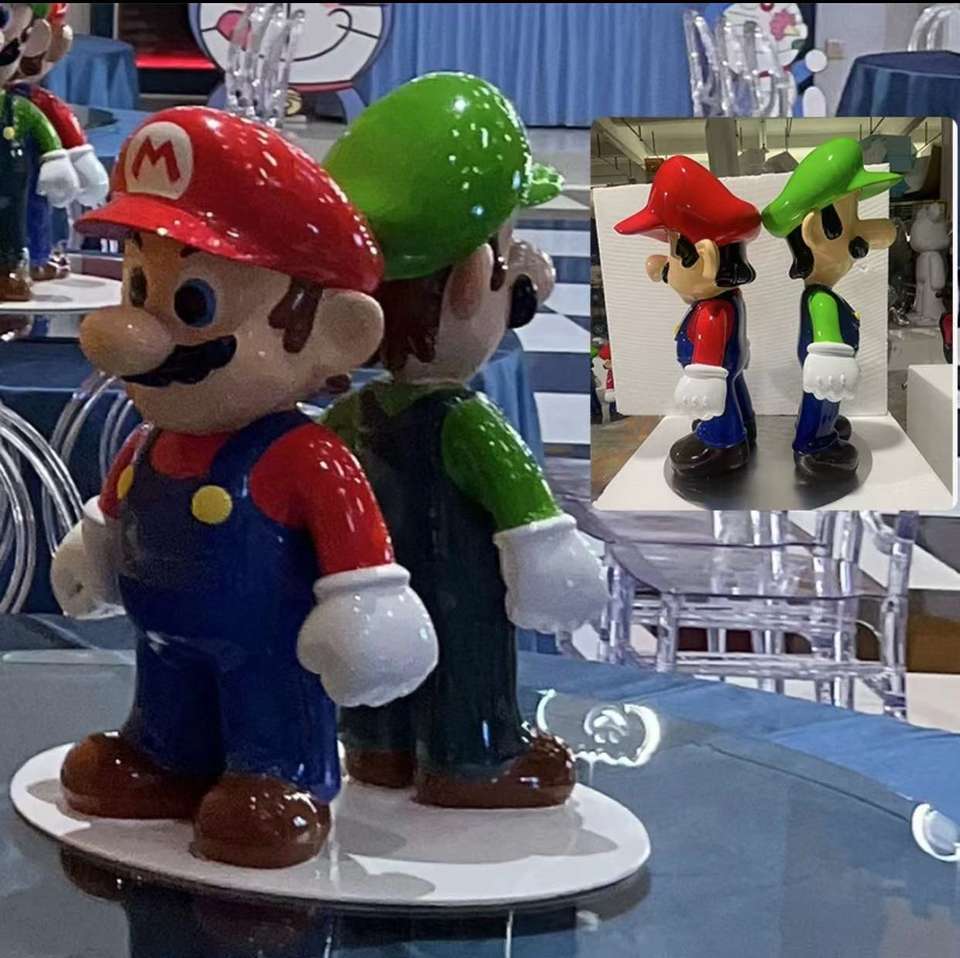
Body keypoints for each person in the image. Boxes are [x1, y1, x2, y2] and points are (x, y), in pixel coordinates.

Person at [50, 107, 438, 868]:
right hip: (163, 639)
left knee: (269, 702)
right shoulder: (149, 442)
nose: (131, 333)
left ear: (334, 333)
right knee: (166, 696)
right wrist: (92, 547)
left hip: (270, 646)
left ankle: (283, 771)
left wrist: (367, 616)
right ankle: (164, 755)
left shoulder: (301, 456)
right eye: (138, 287)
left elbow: (359, 556)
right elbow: (116, 507)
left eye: (192, 304)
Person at [324, 73, 608, 809]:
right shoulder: (468, 422)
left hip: (378, 593)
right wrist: (550, 565)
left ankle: (379, 744)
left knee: (386, 660)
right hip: (462, 589)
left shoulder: (356, 413)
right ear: (472, 280)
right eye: (509, 256)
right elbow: (530, 519)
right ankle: (472, 755)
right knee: (471, 654)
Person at [762, 138, 901, 480]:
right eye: (851, 219)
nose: (861, 232)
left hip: (827, 376)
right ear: (815, 232)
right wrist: (829, 358)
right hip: (825, 373)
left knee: (825, 401)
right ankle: (813, 445)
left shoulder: (823, 293)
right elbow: (825, 342)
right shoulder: (819, 298)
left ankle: (822, 426)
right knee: (821, 400)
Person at [615, 156, 760, 478]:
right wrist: (666, 270)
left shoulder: (712, 311)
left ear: (705, 258)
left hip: (714, 370)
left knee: (719, 399)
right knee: (733, 389)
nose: (666, 263)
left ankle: (723, 444)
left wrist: (703, 383)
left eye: (673, 252)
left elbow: (709, 361)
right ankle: (745, 426)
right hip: (730, 365)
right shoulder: (728, 298)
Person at [8, 2, 109, 279]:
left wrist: (78, 157)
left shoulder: (30, 102)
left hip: (27, 179)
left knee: (35, 214)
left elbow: (56, 124)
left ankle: (37, 257)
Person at [0, 2, 79, 299]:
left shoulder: (20, 105)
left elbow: (47, 128)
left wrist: (58, 158)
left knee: (20, 220)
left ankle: (21, 263)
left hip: (15, 179)